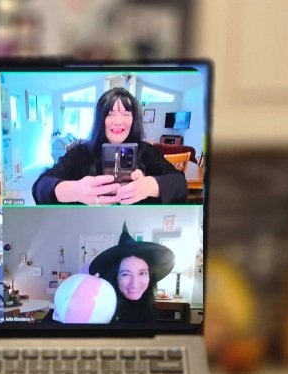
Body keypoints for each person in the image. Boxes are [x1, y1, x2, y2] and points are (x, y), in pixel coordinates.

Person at [32, 87, 187, 206]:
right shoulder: (80, 153)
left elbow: (180, 184)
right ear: (100, 119)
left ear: (134, 120)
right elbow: (39, 188)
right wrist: (75, 191)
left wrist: (151, 186)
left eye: (126, 114)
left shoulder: (147, 152)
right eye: (110, 114)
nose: (118, 121)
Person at [88, 224, 175, 324]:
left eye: (142, 273)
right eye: (125, 274)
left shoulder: (148, 305)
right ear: (116, 277)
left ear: (149, 275)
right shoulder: (102, 306)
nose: (134, 284)